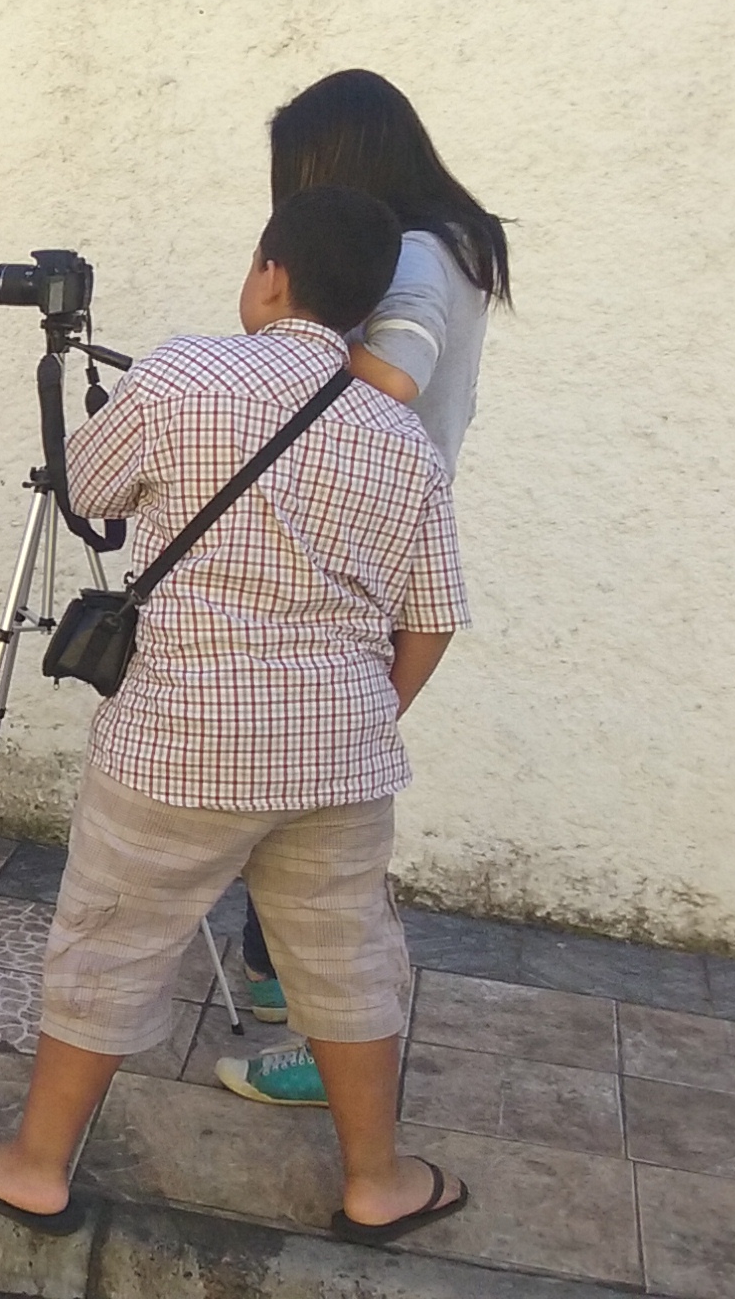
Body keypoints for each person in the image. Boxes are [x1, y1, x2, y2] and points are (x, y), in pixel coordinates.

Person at [0, 187, 472, 1245]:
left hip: (179, 740)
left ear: (270, 272)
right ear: (365, 306)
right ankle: (377, 1181)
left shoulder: (183, 374)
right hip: (339, 757)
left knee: (111, 942)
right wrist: (368, 717)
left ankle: (36, 1166)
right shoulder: (401, 438)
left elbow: (87, 492)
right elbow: (434, 615)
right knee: (348, 959)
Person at [224, 69, 511, 1105]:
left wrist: (275, 342)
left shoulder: (420, 256)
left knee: (324, 810)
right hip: (375, 538)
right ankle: (274, 971)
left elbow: (391, 379)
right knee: (305, 782)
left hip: (361, 549)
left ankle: (328, 1035)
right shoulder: (452, 245)